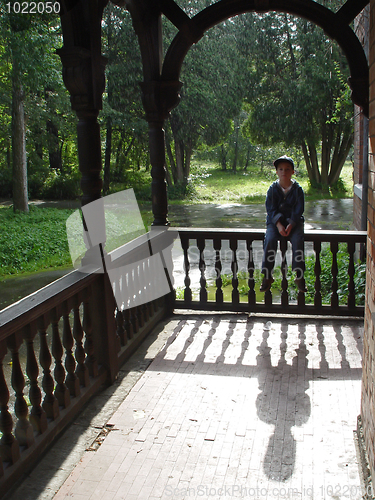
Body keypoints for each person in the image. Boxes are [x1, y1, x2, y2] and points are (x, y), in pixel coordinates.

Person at [260, 155, 306, 293]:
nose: (284, 172)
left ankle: (299, 275)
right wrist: (279, 225)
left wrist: (291, 224)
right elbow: (270, 209)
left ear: (293, 171)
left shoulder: (297, 189)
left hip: (294, 222)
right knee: (270, 240)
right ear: (276, 172)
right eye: (280, 169)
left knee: (298, 241)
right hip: (275, 223)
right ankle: (267, 275)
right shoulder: (273, 189)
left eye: (287, 169)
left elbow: (299, 209)